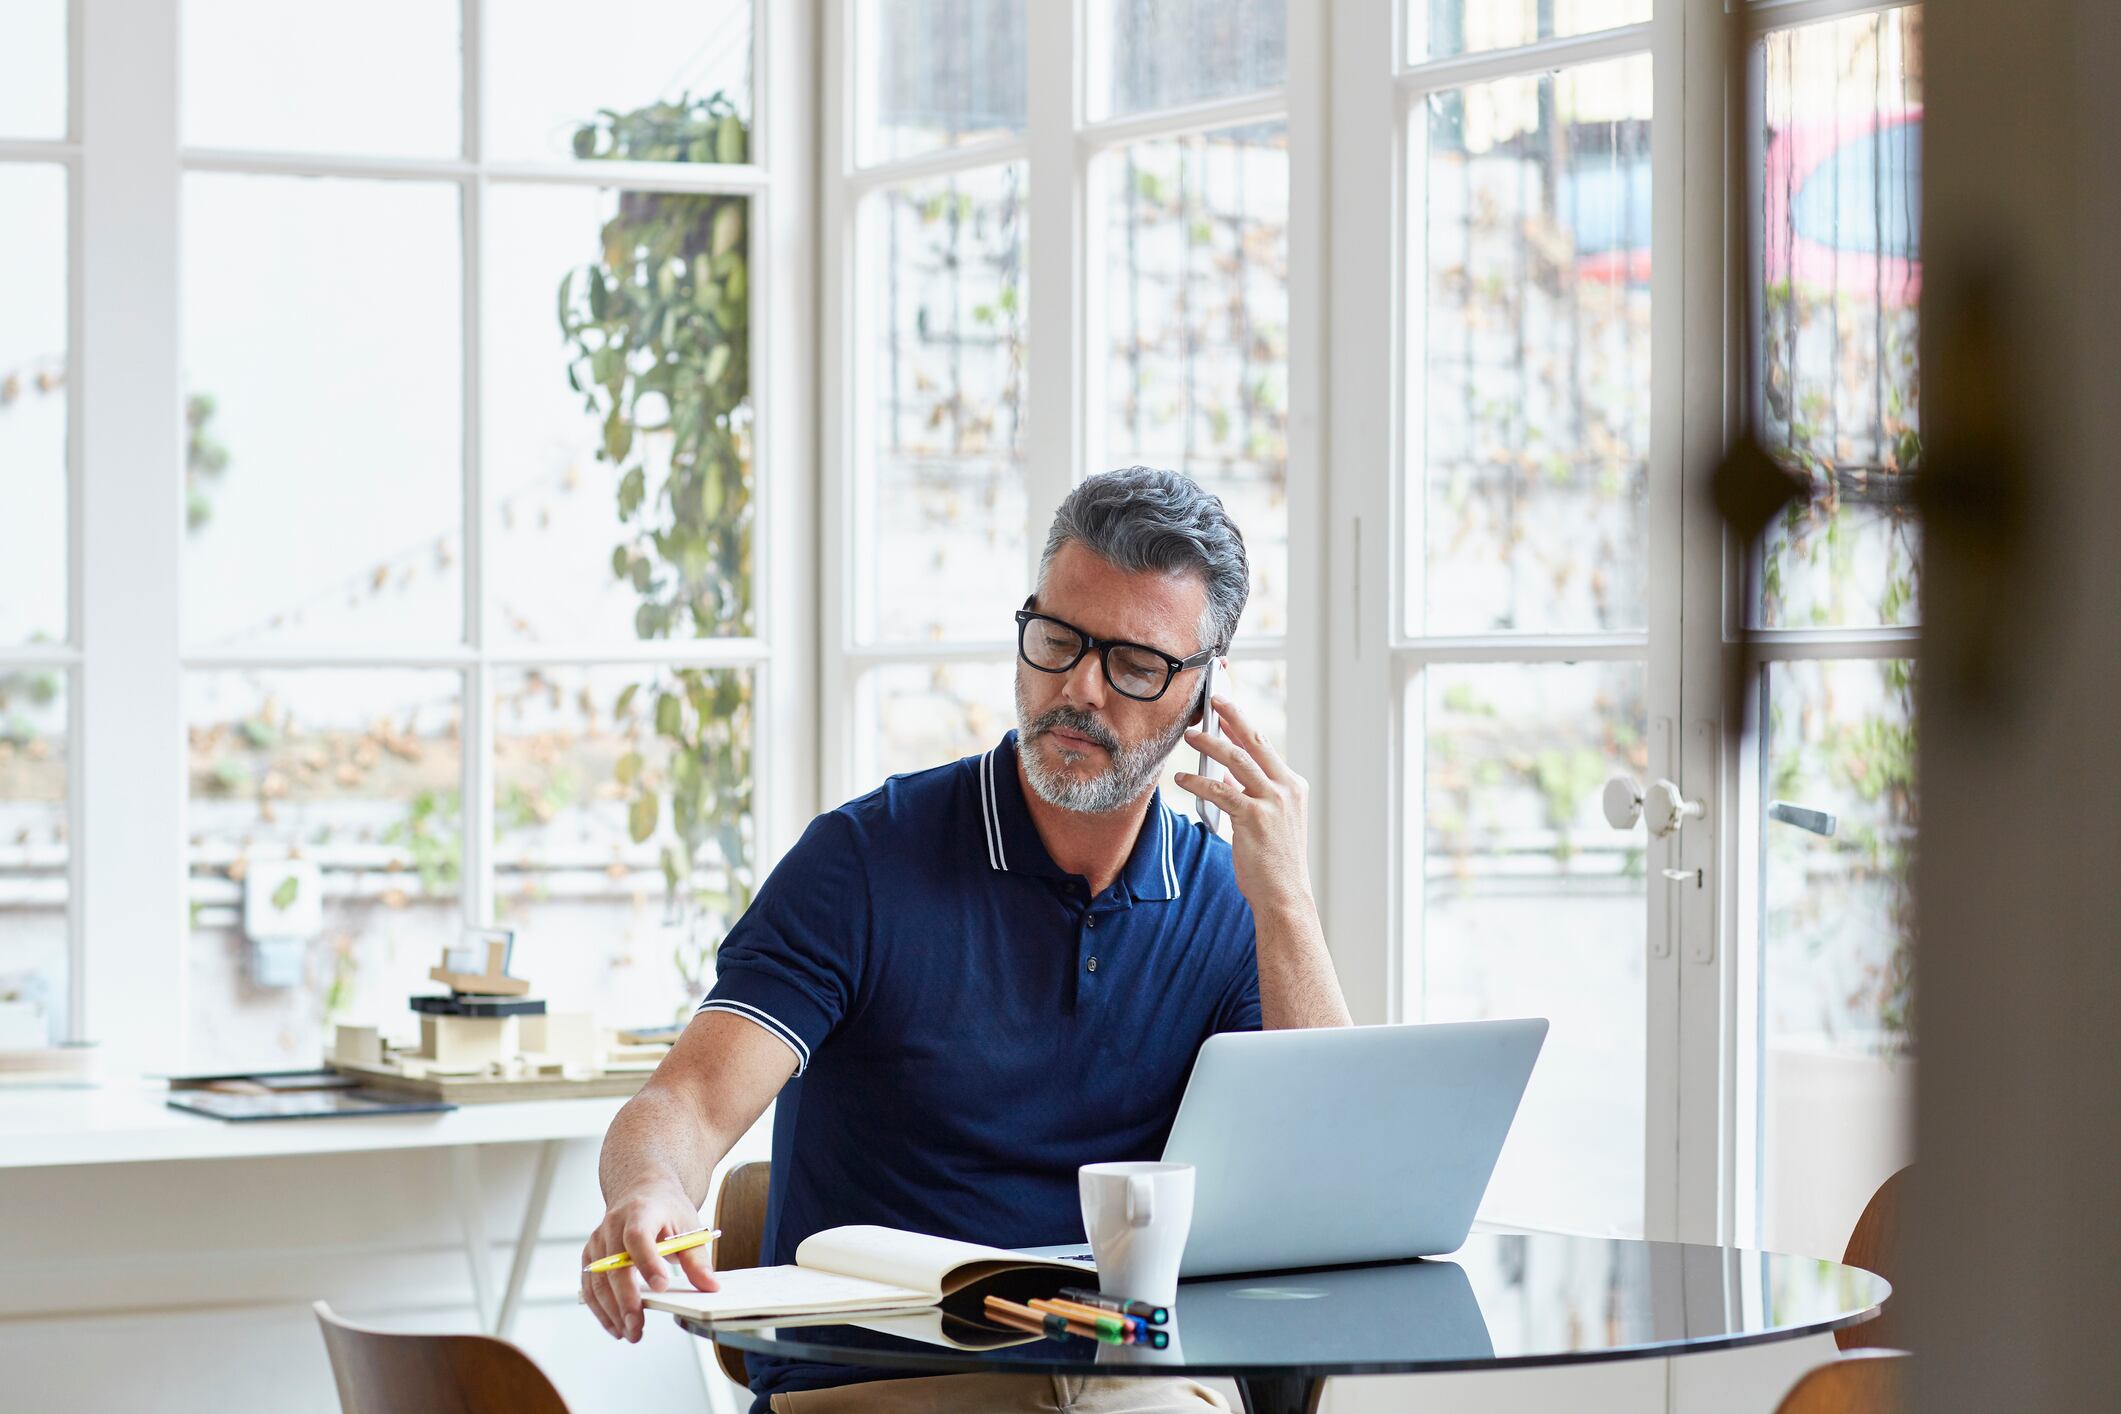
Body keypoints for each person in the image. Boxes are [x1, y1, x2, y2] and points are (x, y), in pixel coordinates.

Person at [582, 468, 1350, 1412]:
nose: (1078, 689)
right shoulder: (863, 863)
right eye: (1058, 640)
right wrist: (651, 1193)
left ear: (1203, 695)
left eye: (1136, 665)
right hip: (889, 1386)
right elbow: (689, 1102)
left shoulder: (1230, 903)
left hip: (1126, 1380)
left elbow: (1325, 1195)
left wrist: (1288, 903)